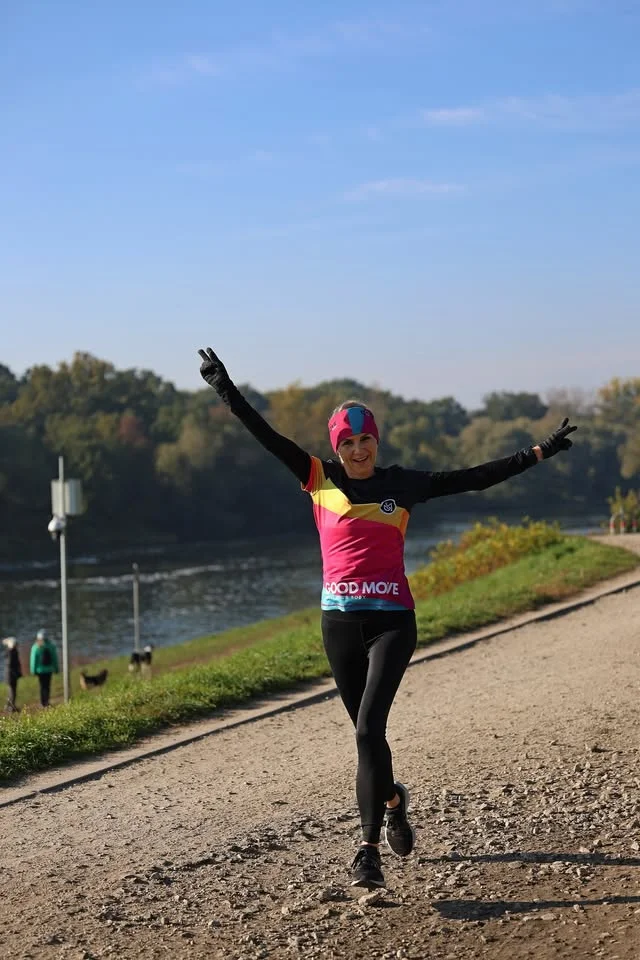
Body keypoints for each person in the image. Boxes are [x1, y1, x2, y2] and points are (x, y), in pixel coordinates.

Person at [197, 347, 577, 889]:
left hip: (393, 622)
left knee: (368, 727)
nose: (357, 450)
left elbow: (474, 478)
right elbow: (267, 436)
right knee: (367, 737)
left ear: (377, 441)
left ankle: (367, 851)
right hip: (338, 625)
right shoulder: (317, 477)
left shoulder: (404, 484)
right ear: (337, 447)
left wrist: (537, 452)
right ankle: (395, 801)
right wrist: (225, 389)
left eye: (364, 440)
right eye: (347, 443)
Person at [30, 628, 59, 707]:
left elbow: (33, 660)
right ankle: (47, 702)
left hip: (40, 671)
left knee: (42, 686)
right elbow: (54, 658)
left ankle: (42, 702)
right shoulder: (51, 646)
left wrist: (33, 670)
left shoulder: (35, 647)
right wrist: (56, 668)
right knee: (47, 686)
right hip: (49, 670)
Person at [2, 637, 23, 713]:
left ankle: (9, 706)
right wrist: (16, 674)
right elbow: (11, 665)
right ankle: (11, 707)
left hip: (10, 675)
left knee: (11, 691)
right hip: (11, 676)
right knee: (12, 692)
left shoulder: (9, 652)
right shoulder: (12, 653)